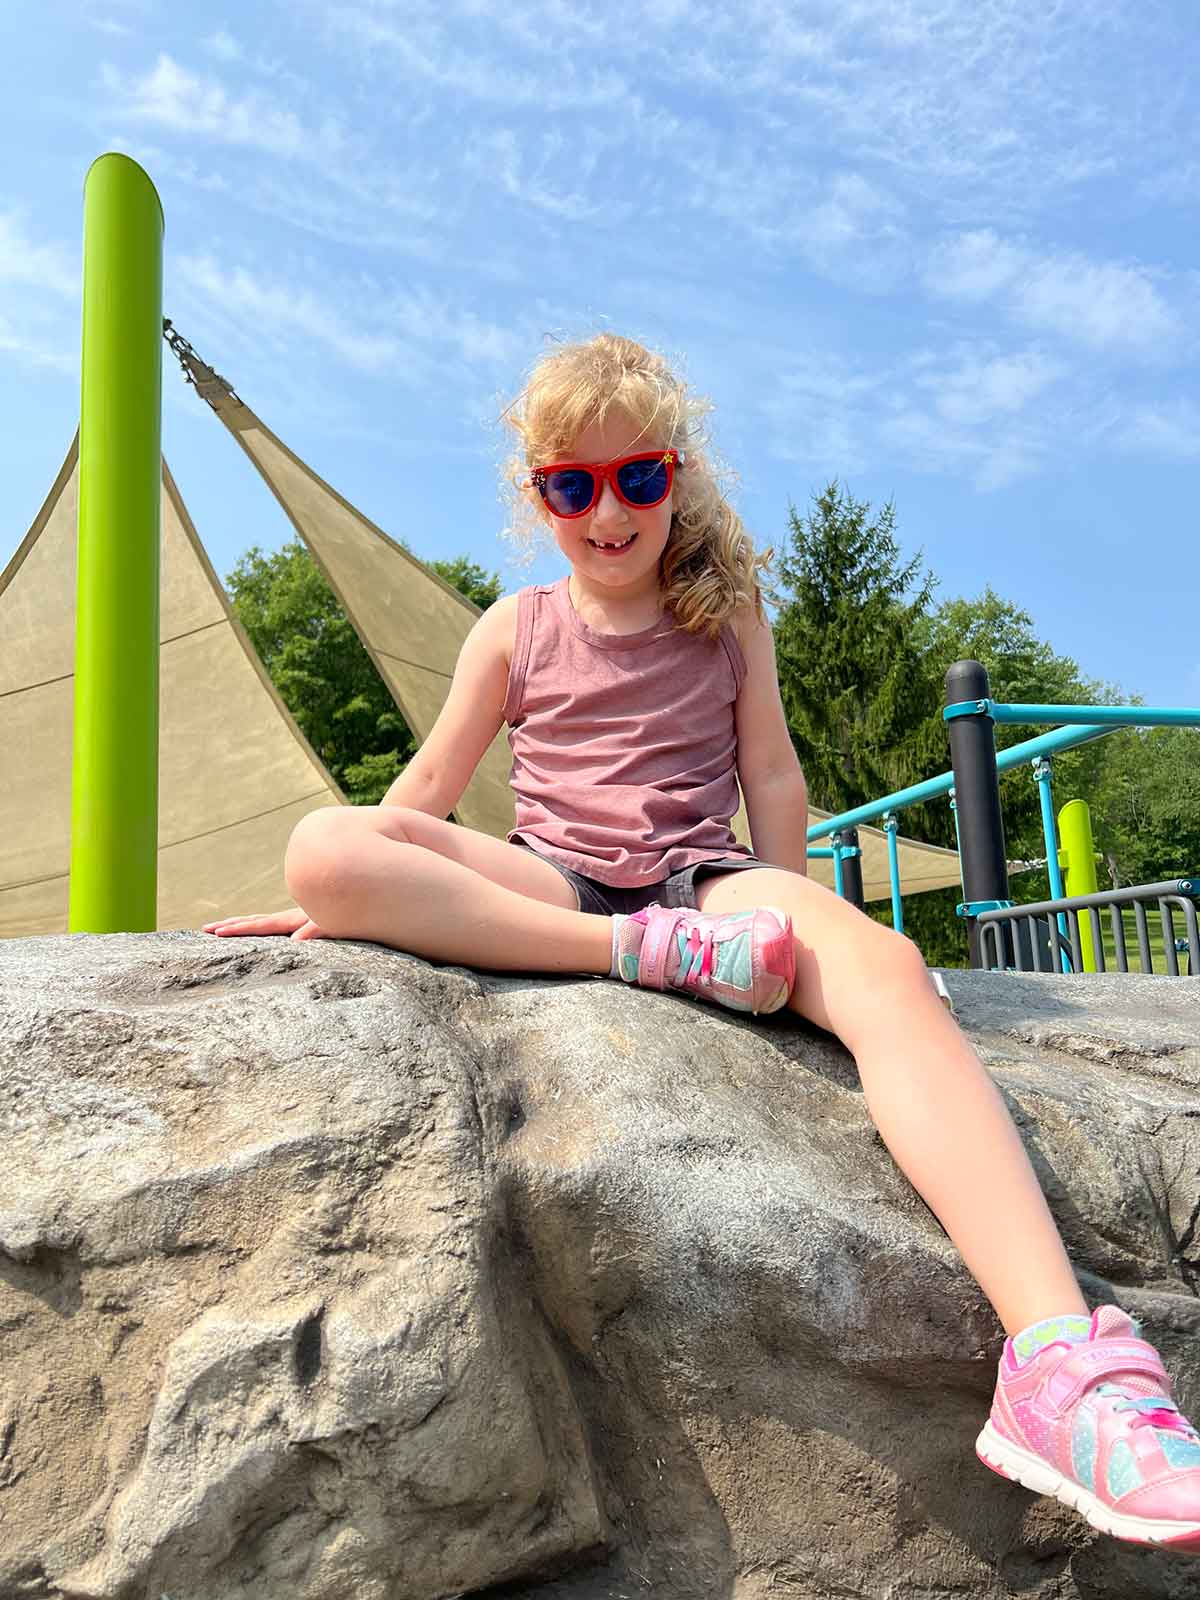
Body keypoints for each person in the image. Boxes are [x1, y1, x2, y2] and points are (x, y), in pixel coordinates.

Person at [203, 332, 1200, 1552]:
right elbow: (419, 799)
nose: (609, 509)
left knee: (884, 972)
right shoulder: (512, 630)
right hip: (556, 884)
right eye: (574, 485)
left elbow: (771, 769)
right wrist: (349, 900)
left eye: (639, 477)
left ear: (677, 477)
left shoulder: (722, 615)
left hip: (698, 874)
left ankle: (1061, 1368)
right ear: (538, 497)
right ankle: (645, 959)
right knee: (326, 846)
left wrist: (793, 909)